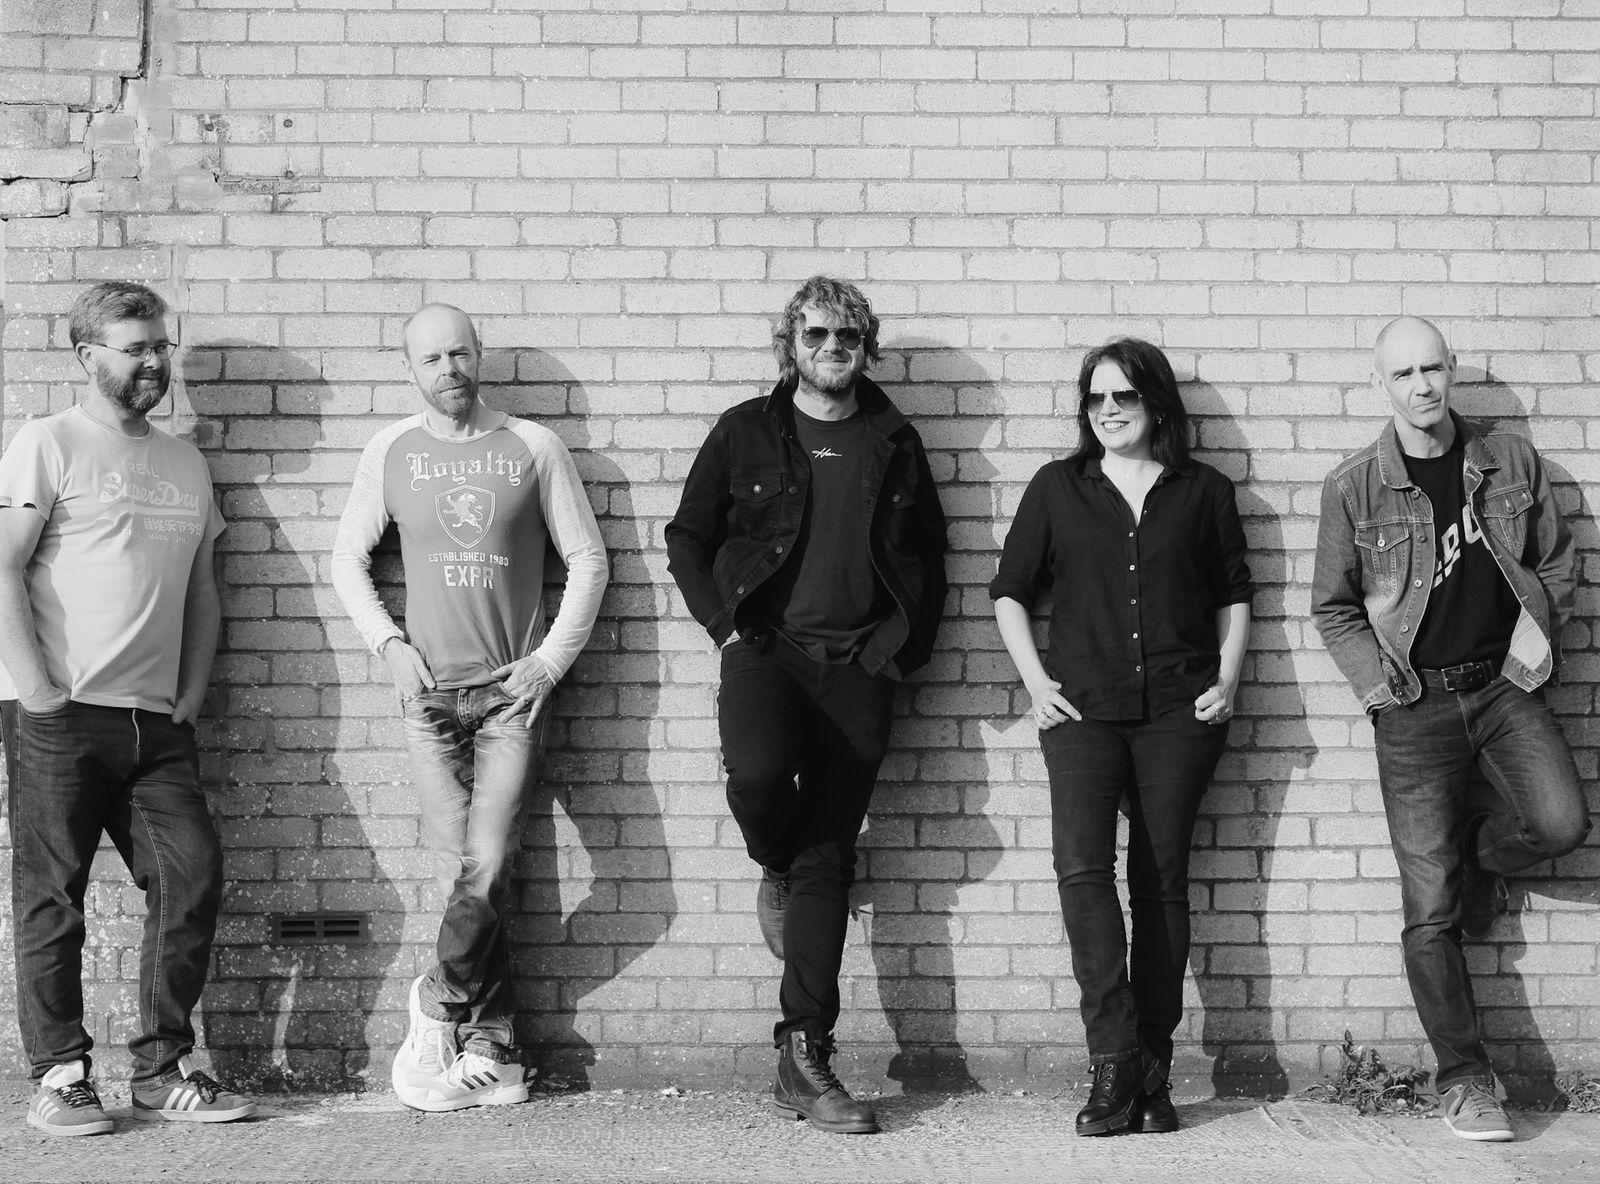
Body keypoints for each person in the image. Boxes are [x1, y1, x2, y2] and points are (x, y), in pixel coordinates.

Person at [665, 276, 948, 1134]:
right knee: (755, 779)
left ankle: (804, 1054)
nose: (833, 349)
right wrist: (723, 627)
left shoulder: (895, 440)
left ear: (868, 347)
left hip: (860, 666)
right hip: (766, 650)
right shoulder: (745, 430)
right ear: (789, 343)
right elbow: (687, 536)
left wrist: (897, 655)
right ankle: (774, 863)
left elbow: (929, 557)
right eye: (817, 334)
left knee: (831, 855)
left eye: (848, 337)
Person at [1311, 316, 1590, 1143]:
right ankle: (1465, 1081)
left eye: (1432, 368)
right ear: (1381, 384)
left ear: (1452, 369)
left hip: (1504, 687)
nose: (1422, 385)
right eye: (1403, 374)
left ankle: (1472, 854)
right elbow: (1332, 607)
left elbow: (1557, 563)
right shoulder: (1354, 486)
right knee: (1429, 910)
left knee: (1560, 824)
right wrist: (1378, 691)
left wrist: (1533, 641)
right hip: (1414, 703)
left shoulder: (1511, 462)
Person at [332, 303, 608, 1112]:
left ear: (478, 354)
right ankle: (494, 1049)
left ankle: (436, 1000)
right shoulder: (390, 451)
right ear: (411, 369)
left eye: (458, 353)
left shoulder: (533, 447)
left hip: (508, 701)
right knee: (471, 882)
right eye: (431, 359)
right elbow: (347, 559)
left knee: (484, 868)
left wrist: (549, 663)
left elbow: (587, 561)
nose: (447, 368)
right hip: (427, 702)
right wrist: (388, 644)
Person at [0, 282, 256, 1136]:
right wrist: (38, 691)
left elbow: (204, 590)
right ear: (88, 357)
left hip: (157, 722)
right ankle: (61, 1075)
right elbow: (2, 564)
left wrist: (192, 691)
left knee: (192, 875)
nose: (154, 362)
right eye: (136, 347)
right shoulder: (49, 442)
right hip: (61, 713)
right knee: (53, 897)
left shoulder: (185, 462)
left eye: (161, 346)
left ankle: (160, 1069)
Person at [990, 338, 1251, 1136]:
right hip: (1084, 713)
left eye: (1124, 397)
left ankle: (1154, 1066)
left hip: (1179, 712)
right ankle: (1114, 1059)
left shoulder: (1203, 491)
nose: (1108, 410)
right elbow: (1009, 591)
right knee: (1081, 869)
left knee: (1160, 882)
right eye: (1096, 398)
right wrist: (1036, 684)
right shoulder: (1058, 488)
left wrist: (1228, 680)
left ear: (1156, 405)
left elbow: (1233, 592)